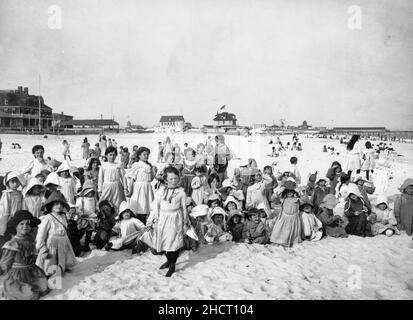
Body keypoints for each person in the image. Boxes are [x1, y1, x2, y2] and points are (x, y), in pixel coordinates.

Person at [140, 166, 190, 277]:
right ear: (166, 180)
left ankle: (172, 264)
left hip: (175, 219)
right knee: (164, 243)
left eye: (176, 178)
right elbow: (155, 207)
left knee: (174, 243)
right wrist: (150, 221)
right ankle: (168, 260)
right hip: (162, 219)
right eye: (171, 179)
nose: (174, 181)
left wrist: (185, 221)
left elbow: (183, 208)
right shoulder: (160, 191)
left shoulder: (181, 193)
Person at [0, 210, 48, 300]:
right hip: (18, 274)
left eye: (27, 224)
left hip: (31, 270)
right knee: (27, 293)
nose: (25, 226)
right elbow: (5, 263)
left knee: (42, 285)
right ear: (16, 226)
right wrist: (5, 272)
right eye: (21, 224)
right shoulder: (12, 244)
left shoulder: (29, 240)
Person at [36, 191, 77, 276]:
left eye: (61, 204)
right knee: (51, 261)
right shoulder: (47, 218)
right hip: (52, 244)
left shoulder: (63, 217)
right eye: (56, 204)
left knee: (62, 259)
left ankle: (61, 268)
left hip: (63, 242)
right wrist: (41, 246)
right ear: (50, 205)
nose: (59, 206)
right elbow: (41, 234)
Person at [126, 147, 155, 225]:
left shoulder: (149, 166)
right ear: (139, 155)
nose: (146, 156)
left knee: (147, 207)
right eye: (144, 154)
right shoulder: (137, 165)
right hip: (139, 189)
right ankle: (139, 223)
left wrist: (153, 171)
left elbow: (151, 179)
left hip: (147, 188)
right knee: (140, 207)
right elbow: (132, 179)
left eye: (147, 155)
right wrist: (130, 191)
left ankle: (146, 224)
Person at [270, 181, 302, 247]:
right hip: (284, 217)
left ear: (294, 192)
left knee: (292, 231)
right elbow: (273, 198)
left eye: (291, 191)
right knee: (282, 230)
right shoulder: (283, 199)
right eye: (287, 191)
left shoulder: (297, 199)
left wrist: (298, 191)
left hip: (294, 218)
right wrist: (280, 191)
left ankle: (291, 241)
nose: (289, 193)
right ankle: (280, 241)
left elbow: (304, 198)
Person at [0, 172, 25, 245]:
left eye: (17, 182)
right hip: (9, 217)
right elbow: (5, 208)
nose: (15, 184)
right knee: (7, 234)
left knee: (16, 236)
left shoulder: (20, 193)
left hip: (18, 217)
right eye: (12, 182)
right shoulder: (7, 193)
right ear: (8, 183)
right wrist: (6, 218)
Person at [76, 180, 98, 252]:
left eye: (92, 192)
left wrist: (97, 212)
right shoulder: (81, 199)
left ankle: (86, 245)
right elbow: (78, 208)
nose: (90, 194)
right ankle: (77, 244)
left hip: (92, 219)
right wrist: (81, 214)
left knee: (89, 233)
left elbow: (96, 207)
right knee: (81, 232)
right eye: (89, 192)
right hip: (83, 219)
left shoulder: (94, 199)